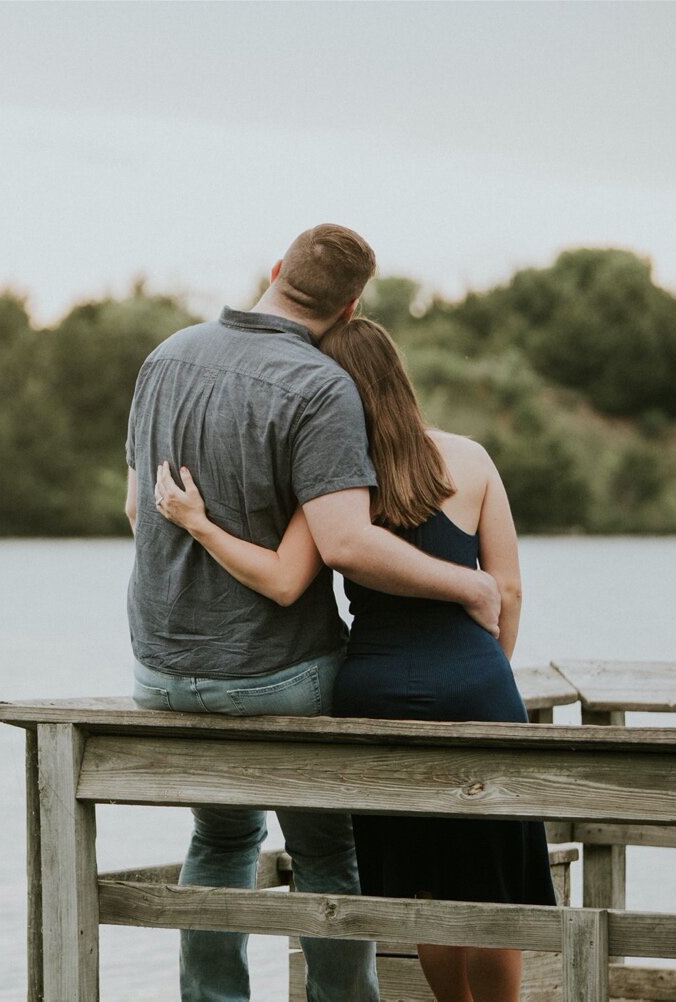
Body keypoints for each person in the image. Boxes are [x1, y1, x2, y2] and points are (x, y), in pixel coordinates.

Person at [124, 224, 502, 1002]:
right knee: (331, 854)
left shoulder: (164, 357)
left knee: (221, 837)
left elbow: (136, 509)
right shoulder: (321, 386)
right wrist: (468, 588)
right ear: (352, 304)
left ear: (273, 271)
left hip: (160, 671)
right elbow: (347, 547)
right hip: (274, 677)